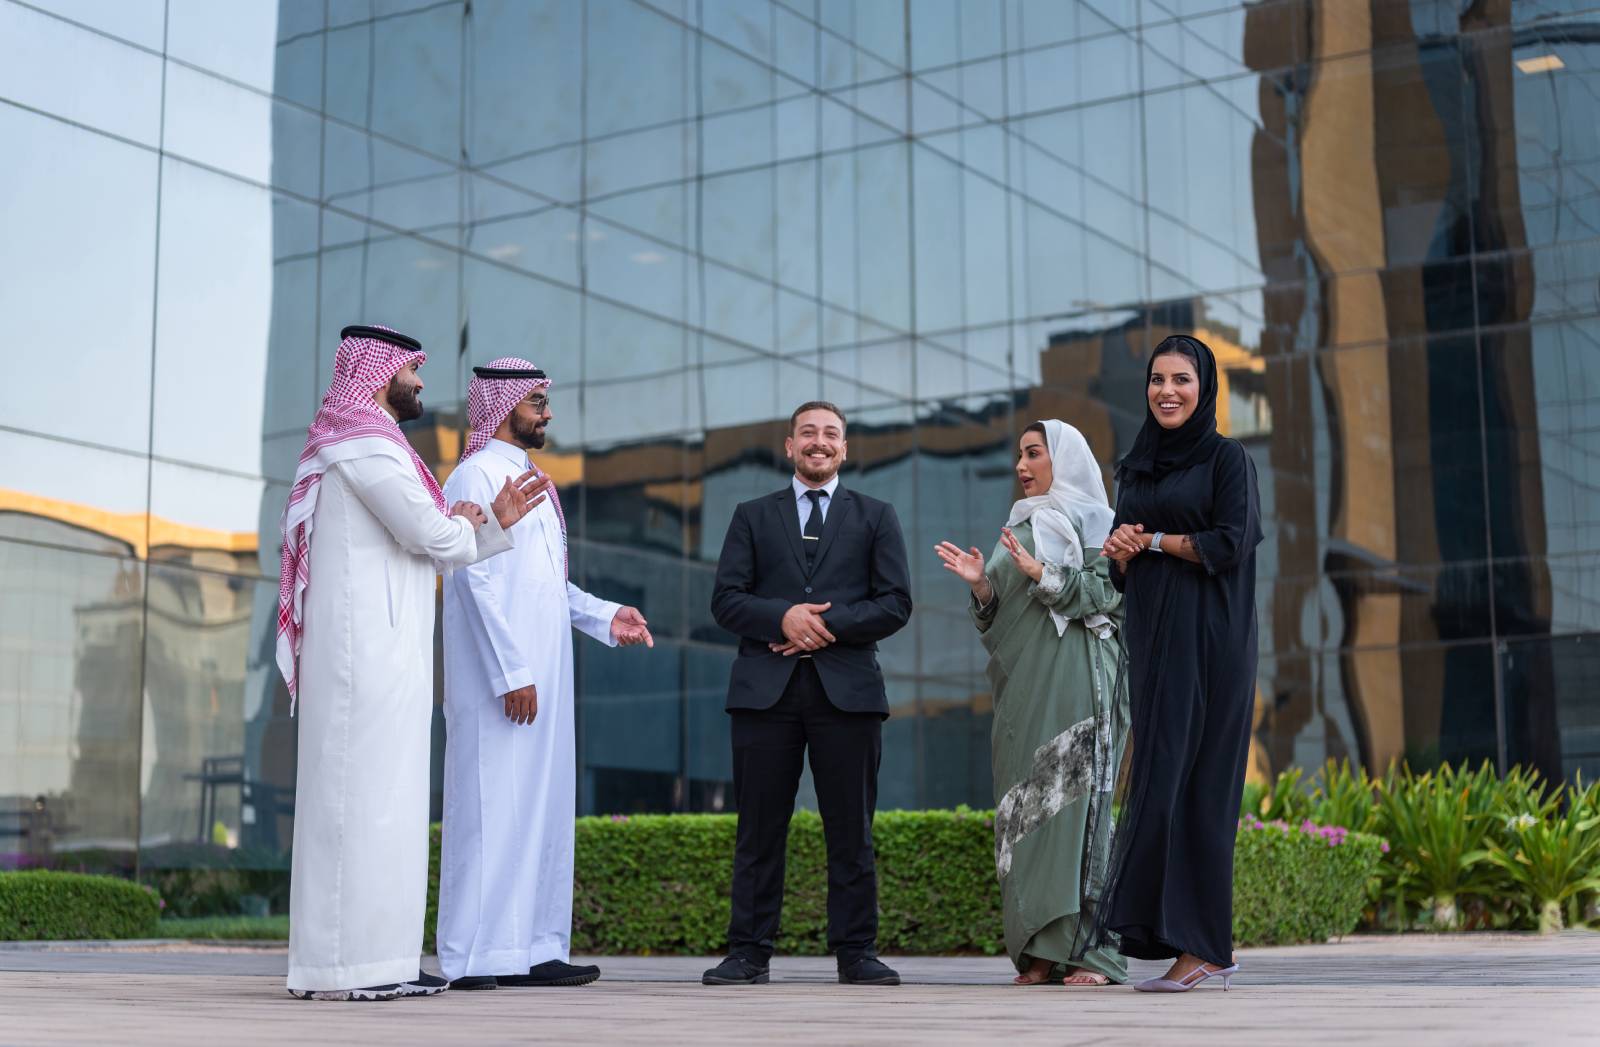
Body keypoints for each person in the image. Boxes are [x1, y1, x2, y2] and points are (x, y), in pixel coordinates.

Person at [277, 325, 544, 1002]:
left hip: (384, 655)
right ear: (378, 374)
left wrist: (474, 524)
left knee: (388, 807)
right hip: (361, 658)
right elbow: (431, 533)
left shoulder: (378, 446)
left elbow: (435, 533)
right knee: (358, 806)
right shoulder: (363, 445)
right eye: (412, 370)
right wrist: (480, 523)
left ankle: (383, 960)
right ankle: (345, 966)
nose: (421, 381)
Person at [436, 358, 653, 991]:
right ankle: (472, 956)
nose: (547, 413)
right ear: (504, 404)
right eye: (536, 402)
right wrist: (511, 671)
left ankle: (533, 949)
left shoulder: (531, 480)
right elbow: (471, 578)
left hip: (545, 676)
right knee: (489, 811)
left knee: (544, 811)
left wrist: (605, 615)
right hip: (500, 681)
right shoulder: (475, 473)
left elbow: (545, 584)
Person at [702, 401, 912, 987]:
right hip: (764, 695)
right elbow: (726, 600)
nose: (820, 442)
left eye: (831, 434)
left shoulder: (876, 516)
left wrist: (821, 625)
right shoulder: (750, 515)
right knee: (758, 829)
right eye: (809, 433)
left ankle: (857, 953)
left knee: (852, 830)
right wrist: (783, 617)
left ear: (844, 448)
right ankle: (748, 953)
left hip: (849, 695)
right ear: (790, 446)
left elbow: (896, 602)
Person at [935, 420, 1129, 988]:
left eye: (1034, 453)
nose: (1022, 465)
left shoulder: (1099, 524)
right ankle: (1040, 948)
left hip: (1084, 679)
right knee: (1030, 812)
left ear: (1063, 460)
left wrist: (1044, 573)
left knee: (1081, 811)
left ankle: (1092, 952)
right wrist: (982, 586)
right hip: (1024, 691)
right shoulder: (1018, 527)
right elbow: (998, 618)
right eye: (1019, 454)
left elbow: (1109, 595)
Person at [1097, 334, 1263, 993]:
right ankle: (1174, 939)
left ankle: (1205, 947)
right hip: (1155, 644)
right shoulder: (1137, 468)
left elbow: (1231, 541)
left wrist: (1155, 541)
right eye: (1157, 379)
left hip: (1213, 643)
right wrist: (1121, 550)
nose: (1167, 391)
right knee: (1159, 786)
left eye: (1181, 380)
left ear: (1205, 388)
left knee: (1202, 788)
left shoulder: (1227, 459)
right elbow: (1119, 570)